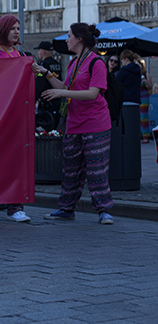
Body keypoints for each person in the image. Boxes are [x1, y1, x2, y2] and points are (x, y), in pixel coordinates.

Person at [33, 23, 114, 225]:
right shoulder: (73, 62)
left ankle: (104, 210)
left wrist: (62, 92)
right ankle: (66, 208)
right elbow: (66, 87)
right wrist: (46, 72)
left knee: (96, 169)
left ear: (79, 38)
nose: (66, 39)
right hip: (74, 123)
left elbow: (93, 93)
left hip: (95, 123)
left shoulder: (96, 62)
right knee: (70, 169)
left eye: (69, 36)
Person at [0, 15, 31, 222]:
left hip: (17, 115)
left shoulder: (21, 55)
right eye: (13, 28)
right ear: (3, 30)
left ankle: (15, 206)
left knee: (16, 160)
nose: (17, 32)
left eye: (19, 28)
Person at [34, 41, 62, 132]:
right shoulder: (57, 64)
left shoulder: (43, 65)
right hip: (56, 99)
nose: (38, 53)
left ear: (43, 52)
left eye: (39, 51)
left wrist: (34, 98)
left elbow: (40, 83)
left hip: (46, 100)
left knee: (45, 128)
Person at [138, 59, 153, 143]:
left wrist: (146, 82)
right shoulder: (135, 74)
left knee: (144, 117)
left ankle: (146, 136)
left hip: (144, 97)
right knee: (136, 117)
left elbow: (150, 87)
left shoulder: (146, 74)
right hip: (136, 97)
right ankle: (137, 134)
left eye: (138, 64)